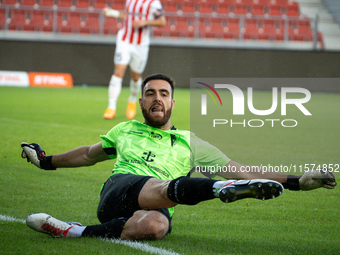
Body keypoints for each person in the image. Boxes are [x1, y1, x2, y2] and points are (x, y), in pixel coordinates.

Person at [21, 73, 337, 241]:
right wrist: (46, 161)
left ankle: (73, 231)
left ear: (172, 104)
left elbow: (242, 170)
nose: (156, 98)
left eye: (163, 94)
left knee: (157, 228)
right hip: (119, 190)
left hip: (159, 206)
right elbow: (87, 155)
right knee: (166, 186)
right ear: (142, 104)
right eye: (150, 93)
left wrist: (299, 181)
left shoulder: (190, 142)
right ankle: (216, 189)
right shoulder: (126, 130)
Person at [102, 0, 166, 120]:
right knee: (118, 71)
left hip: (140, 44)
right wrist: (113, 13)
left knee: (136, 77)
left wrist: (144, 22)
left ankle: (131, 100)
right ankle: (111, 107)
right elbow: (128, 15)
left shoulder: (153, 3)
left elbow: (162, 21)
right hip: (124, 40)